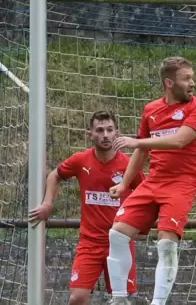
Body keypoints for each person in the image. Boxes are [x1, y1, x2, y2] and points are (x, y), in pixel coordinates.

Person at [105, 56, 196, 305]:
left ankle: (158, 303)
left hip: (181, 183)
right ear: (169, 83)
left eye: (192, 77)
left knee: (166, 244)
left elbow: (179, 141)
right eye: (186, 78)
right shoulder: (151, 110)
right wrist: (123, 184)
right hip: (153, 181)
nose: (192, 83)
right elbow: (141, 153)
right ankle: (119, 299)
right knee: (117, 235)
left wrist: (138, 141)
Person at [28, 111, 145, 305]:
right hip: (89, 243)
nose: (105, 135)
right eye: (99, 130)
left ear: (117, 133)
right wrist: (48, 203)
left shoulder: (129, 164)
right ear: (90, 133)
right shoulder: (80, 160)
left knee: (124, 300)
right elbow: (54, 175)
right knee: (77, 298)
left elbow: (145, 193)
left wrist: (141, 223)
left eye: (109, 129)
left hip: (119, 243)